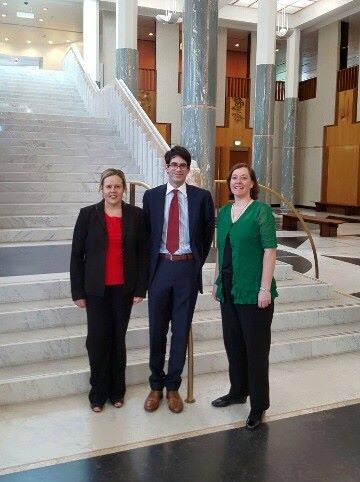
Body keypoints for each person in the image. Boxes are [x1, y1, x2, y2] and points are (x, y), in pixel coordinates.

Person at [142, 145, 215, 413]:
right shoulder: (151, 197)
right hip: (160, 269)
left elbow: (206, 235)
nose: (177, 169)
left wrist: (195, 263)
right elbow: (147, 236)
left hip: (186, 269)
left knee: (180, 331)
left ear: (188, 170)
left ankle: (173, 387)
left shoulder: (201, 197)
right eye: (173, 165)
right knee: (157, 330)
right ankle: (155, 386)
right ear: (166, 167)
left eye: (182, 165)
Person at [70, 168, 148, 413]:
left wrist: (140, 288)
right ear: (101, 189)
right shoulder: (87, 215)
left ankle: (117, 390)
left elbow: (143, 255)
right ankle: (98, 392)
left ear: (124, 189)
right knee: (96, 341)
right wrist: (78, 292)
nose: (113, 191)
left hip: (123, 289)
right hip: (95, 290)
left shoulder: (136, 215)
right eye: (108, 186)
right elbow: (76, 256)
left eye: (117, 186)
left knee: (117, 339)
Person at [211, 163, 277, 430]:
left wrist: (264, 288)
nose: (238, 182)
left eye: (244, 178)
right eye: (234, 178)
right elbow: (221, 249)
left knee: (256, 350)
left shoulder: (261, 212)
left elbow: (270, 251)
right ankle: (238, 391)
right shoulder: (225, 212)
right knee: (233, 345)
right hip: (229, 290)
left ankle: (258, 405)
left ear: (252, 183)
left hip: (254, 293)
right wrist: (216, 282)